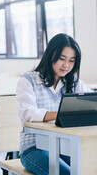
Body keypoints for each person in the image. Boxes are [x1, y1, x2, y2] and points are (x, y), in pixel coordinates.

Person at [16, 33, 92, 175]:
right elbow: (27, 114)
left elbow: (90, 99)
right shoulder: (29, 80)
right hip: (34, 148)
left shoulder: (73, 82)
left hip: (65, 147)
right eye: (62, 59)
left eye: (71, 61)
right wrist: (60, 114)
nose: (66, 65)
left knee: (90, 167)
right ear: (51, 55)